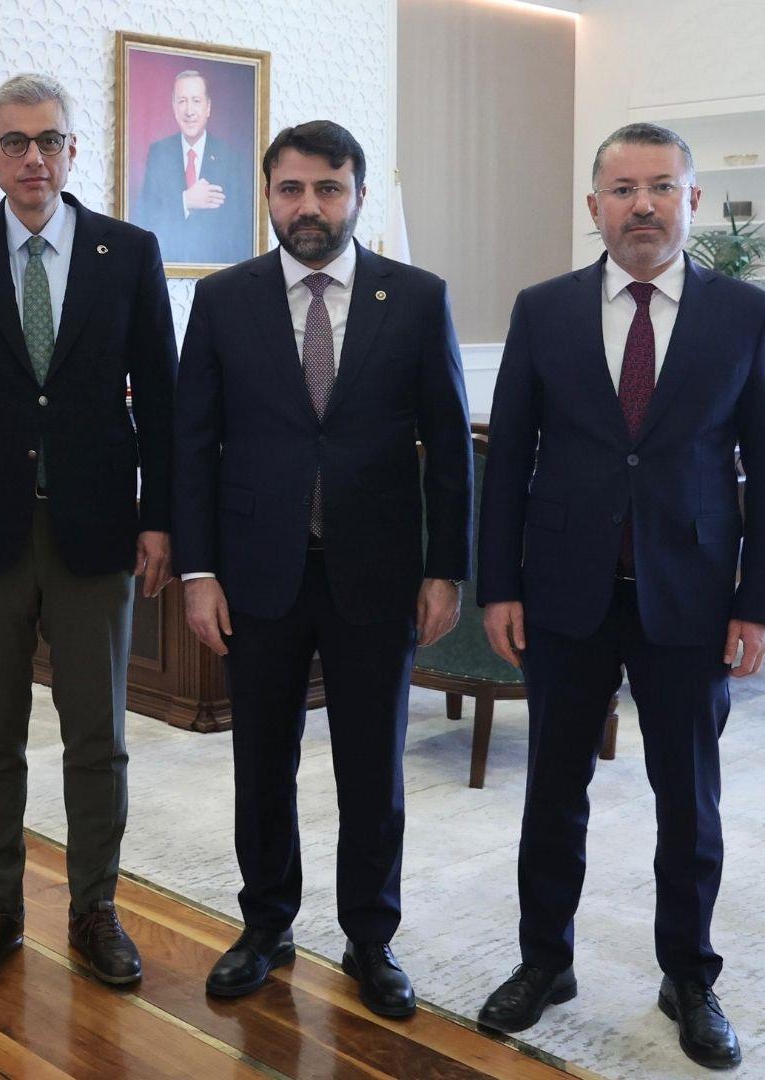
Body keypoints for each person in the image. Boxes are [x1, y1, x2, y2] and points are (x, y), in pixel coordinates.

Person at [474, 122, 765, 1071]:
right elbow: (509, 462)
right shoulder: (544, 310)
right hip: (564, 594)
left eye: (661, 187)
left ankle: (689, 976)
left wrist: (758, 603)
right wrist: (499, 586)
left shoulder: (745, 315)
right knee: (552, 792)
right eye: (622, 190)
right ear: (595, 207)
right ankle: (545, 962)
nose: (642, 205)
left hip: (690, 598)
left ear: (692, 201)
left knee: (687, 799)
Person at [172, 120, 472, 1014]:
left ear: (359, 196)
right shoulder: (222, 299)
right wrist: (198, 571)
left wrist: (446, 569)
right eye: (292, 189)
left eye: (329, 189)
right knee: (262, 762)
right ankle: (266, 925)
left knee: (371, 767)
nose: (310, 207)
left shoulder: (415, 298)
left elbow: (449, 444)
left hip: (377, 576)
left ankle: (370, 938)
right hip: (257, 574)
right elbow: (193, 445)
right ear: (268, 195)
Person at [0, 72, 177, 991]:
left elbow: (163, 403)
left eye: (49, 140)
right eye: (14, 142)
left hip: (96, 532)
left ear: (72, 150)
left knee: (98, 736)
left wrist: (162, 518)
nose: (33, 158)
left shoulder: (129, 254)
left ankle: (95, 909)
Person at [134, 69, 254, 265]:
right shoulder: (158, 153)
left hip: (217, 271)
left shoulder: (231, 159)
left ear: (208, 107)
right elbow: (144, 216)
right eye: (182, 101)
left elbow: (240, 229)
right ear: (174, 107)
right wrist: (185, 201)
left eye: (196, 101)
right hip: (166, 266)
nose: (189, 111)